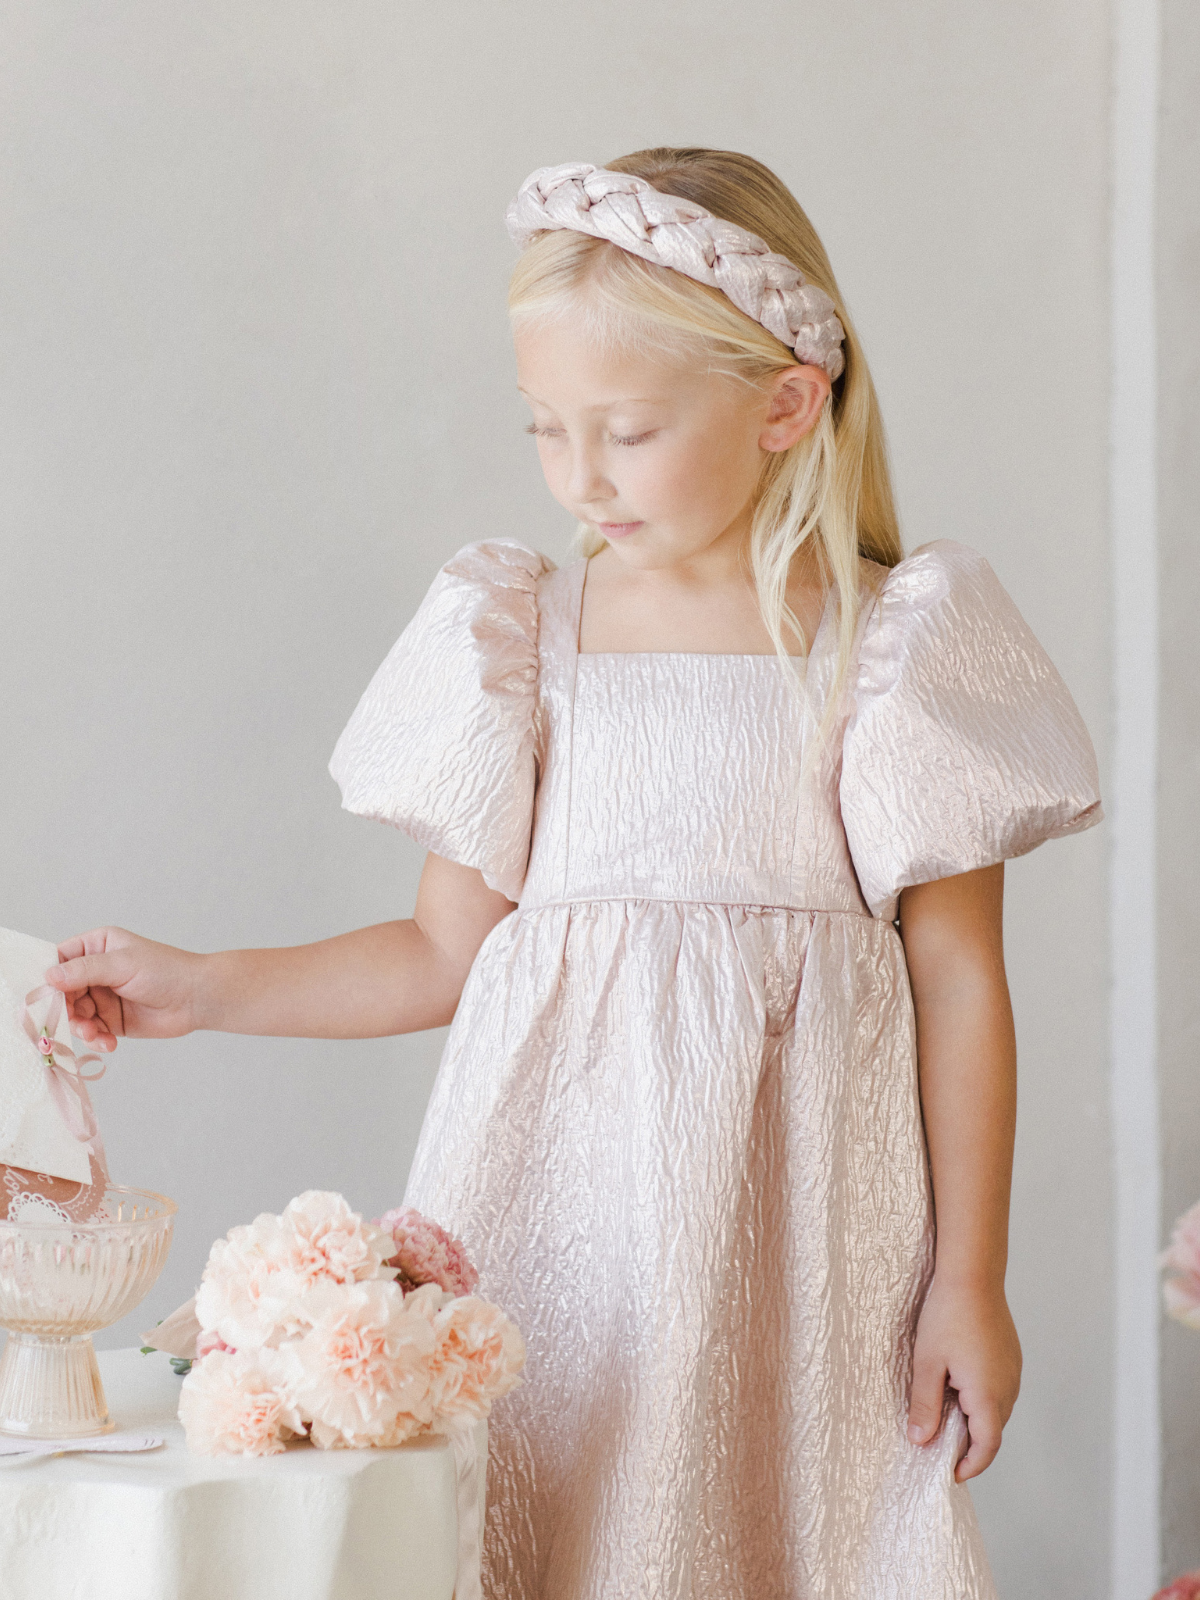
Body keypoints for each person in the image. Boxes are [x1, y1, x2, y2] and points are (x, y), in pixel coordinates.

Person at [46, 149, 1102, 1598]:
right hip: (553, 1243)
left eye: (628, 431)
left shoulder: (888, 647)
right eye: (547, 429)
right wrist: (206, 985)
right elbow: (438, 954)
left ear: (787, 404)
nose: (578, 476)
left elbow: (959, 978)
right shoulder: (527, 634)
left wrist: (967, 1278)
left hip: (801, 1253)